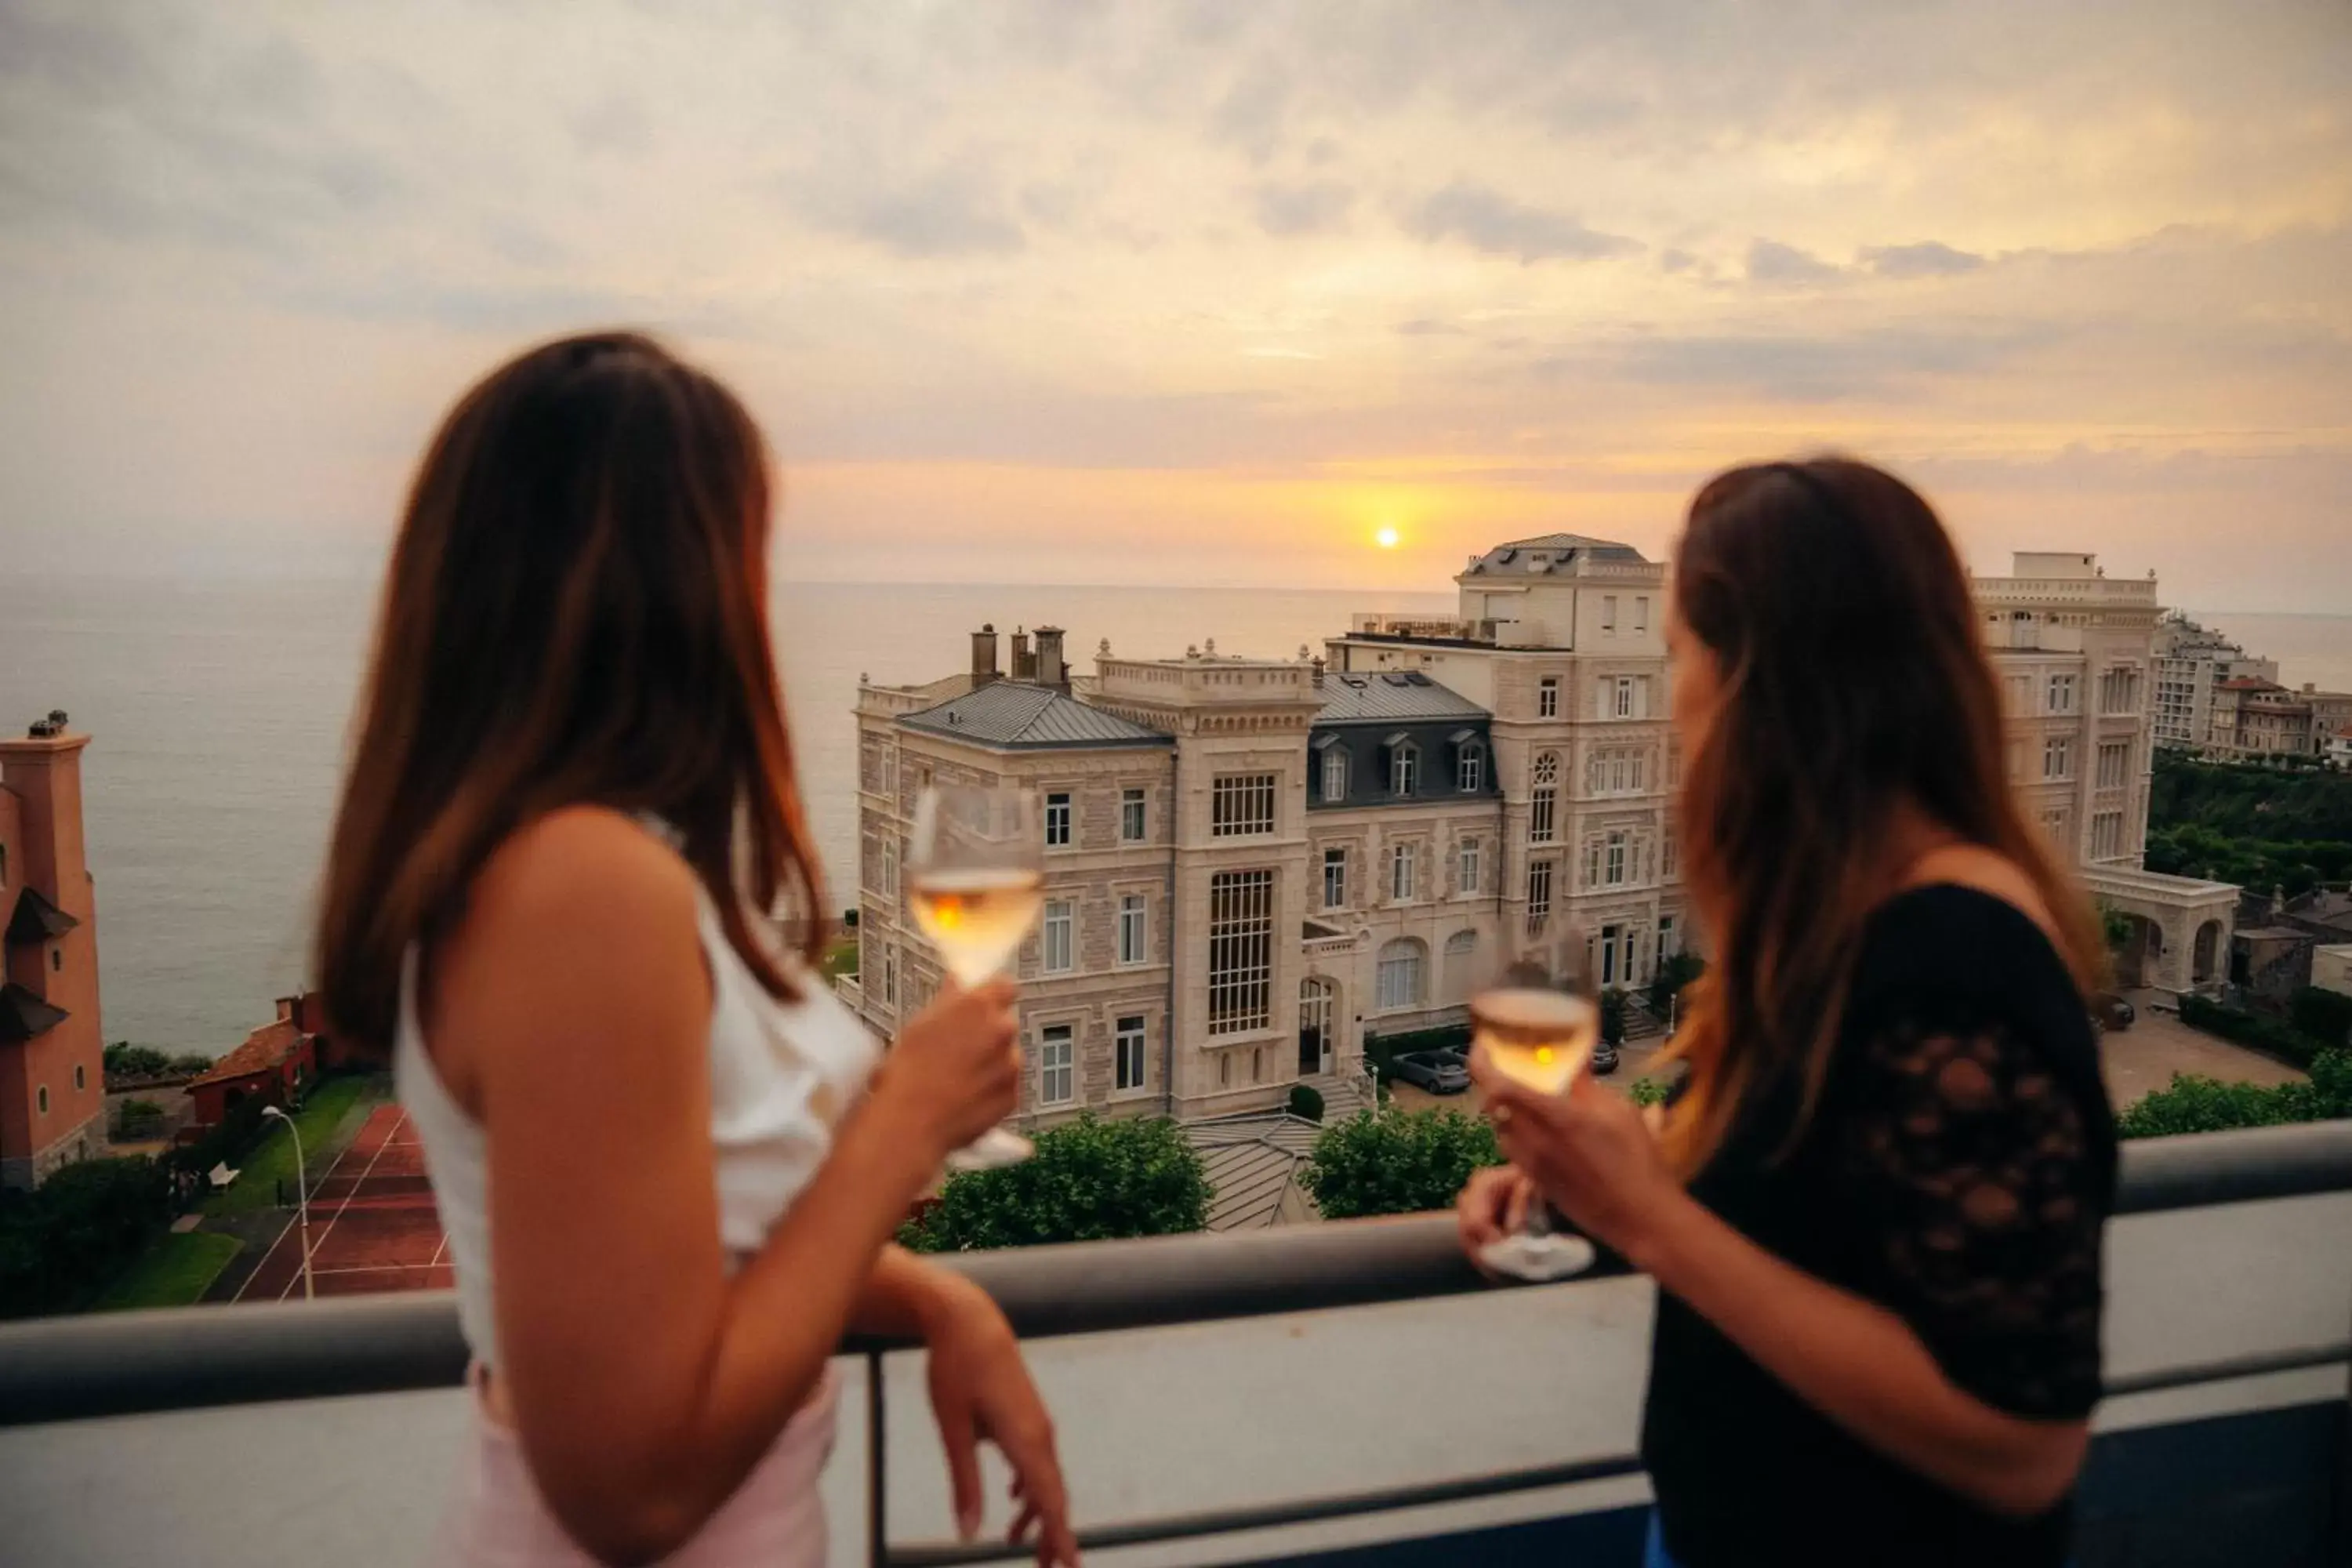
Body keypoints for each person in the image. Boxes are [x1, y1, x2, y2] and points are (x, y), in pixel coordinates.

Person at [315, 332, 1078, 1566]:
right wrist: (901, 1128)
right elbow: (634, 1491)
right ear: (676, 576)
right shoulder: (580, 888)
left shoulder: (575, 863)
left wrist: (936, 1295)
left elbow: (696, 1266)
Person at [1459, 457, 2116, 1567]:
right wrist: (1618, 1167)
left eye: (1680, 655)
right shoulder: (1853, 920)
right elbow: (1824, 1190)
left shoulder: (1957, 958)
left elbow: (2023, 1444)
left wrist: (1646, 1219)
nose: (1675, 700)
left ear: (1760, 679)